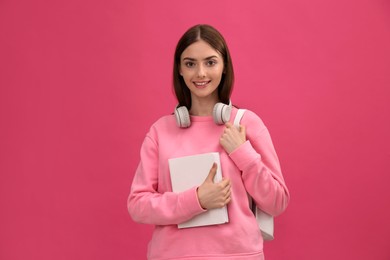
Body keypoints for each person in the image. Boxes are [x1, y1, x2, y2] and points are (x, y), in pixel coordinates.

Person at [128, 24, 290, 260]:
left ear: (224, 67)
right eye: (190, 63)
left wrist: (243, 154)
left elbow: (277, 202)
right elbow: (138, 205)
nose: (200, 73)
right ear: (180, 70)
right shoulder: (160, 131)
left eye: (210, 62)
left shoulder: (247, 124)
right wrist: (197, 200)